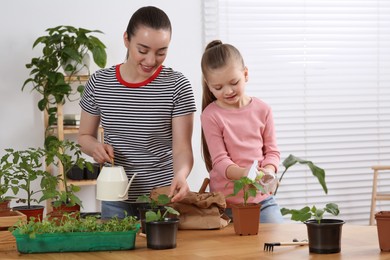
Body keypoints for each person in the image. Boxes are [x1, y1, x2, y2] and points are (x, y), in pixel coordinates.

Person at [78, 6, 196, 219]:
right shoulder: (99, 83)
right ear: (126, 39)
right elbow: (84, 137)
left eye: (161, 52)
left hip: (161, 196)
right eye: (143, 50)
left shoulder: (177, 86)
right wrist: (95, 147)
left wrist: (181, 174)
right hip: (114, 197)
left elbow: (182, 149)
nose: (151, 60)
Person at [200, 40, 283, 223]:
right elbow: (220, 162)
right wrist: (247, 175)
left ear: (245, 74)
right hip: (224, 205)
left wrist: (268, 171)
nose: (228, 91)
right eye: (218, 87)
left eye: (233, 82)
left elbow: (272, 151)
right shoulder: (211, 115)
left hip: (262, 201)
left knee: (276, 241)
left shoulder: (263, 109)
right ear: (208, 84)